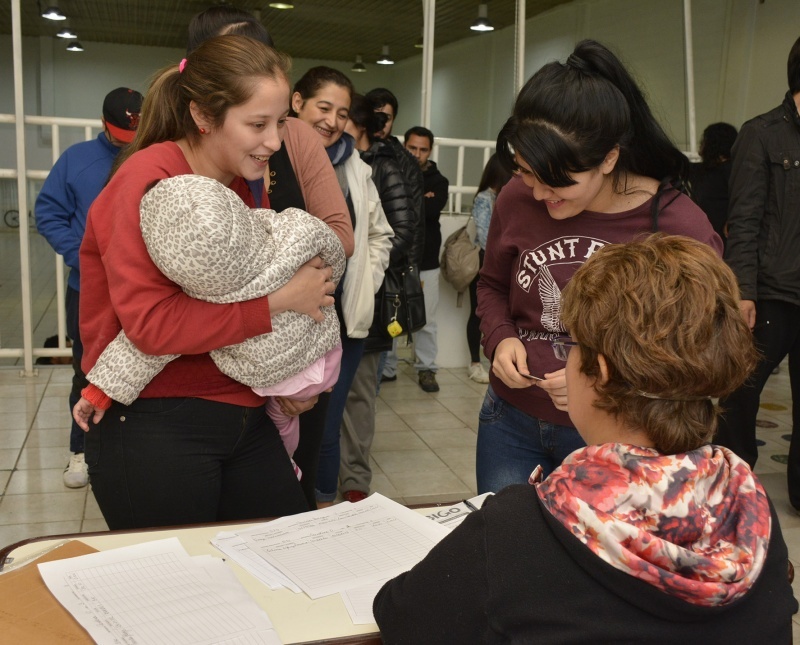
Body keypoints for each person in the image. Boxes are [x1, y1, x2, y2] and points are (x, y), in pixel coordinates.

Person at [374, 234, 797, 643]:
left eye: (571, 343)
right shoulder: (749, 506)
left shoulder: (519, 530)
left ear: (602, 372)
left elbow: (399, 616)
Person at [79, 35, 352, 530]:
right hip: (156, 418)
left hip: (243, 410)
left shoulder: (238, 184)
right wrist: (279, 302)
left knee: (283, 556)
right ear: (204, 116)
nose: (274, 142)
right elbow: (152, 326)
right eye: (257, 125)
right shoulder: (148, 180)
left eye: (280, 124)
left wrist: (285, 378)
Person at [476, 39, 722, 494]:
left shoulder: (676, 224)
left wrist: (607, 387)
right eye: (526, 172)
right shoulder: (517, 195)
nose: (537, 195)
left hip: (617, 439)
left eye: (558, 184)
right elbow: (491, 284)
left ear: (608, 158)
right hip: (509, 421)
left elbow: (703, 353)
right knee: (507, 552)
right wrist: (501, 338)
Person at [185, 6, 354, 509]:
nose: (269, 138)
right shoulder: (176, 153)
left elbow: (340, 235)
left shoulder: (295, 136)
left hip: (295, 345)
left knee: (286, 498)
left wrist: (299, 367)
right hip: (211, 361)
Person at [73, 174, 346, 481]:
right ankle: (285, 464)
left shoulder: (211, 292)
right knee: (285, 420)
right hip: (327, 348)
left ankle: (287, 463)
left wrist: (99, 391)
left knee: (280, 421)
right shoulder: (287, 240)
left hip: (280, 376)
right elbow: (331, 244)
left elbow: (151, 346)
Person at [288, 67, 394, 507]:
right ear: (297, 104)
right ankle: (281, 512)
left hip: (342, 323)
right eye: (323, 107)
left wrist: (364, 284)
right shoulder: (272, 157)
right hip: (282, 319)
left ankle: (322, 511)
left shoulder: (357, 167)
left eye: (342, 112)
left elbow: (380, 233)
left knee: (326, 426)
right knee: (280, 424)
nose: (332, 120)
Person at [35, 86, 143, 489]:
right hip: (89, 290)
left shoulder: (152, 156)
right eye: (120, 135)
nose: (126, 144)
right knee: (87, 370)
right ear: (103, 124)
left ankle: (128, 452)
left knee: (139, 370)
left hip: (139, 290)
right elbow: (48, 213)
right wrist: (82, 258)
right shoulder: (76, 160)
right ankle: (79, 451)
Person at [715, 35, 800, 510]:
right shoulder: (762, 133)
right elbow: (743, 218)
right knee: (742, 392)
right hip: (768, 291)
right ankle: (732, 480)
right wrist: (742, 289)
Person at [334, 94, 416, 503]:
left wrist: (365, 273)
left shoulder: (382, 168)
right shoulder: (322, 165)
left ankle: (353, 480)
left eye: (343, 117)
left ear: (359, 127)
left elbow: (400, 230)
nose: (331, 125)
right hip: (326, 301)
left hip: (369, 298)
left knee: (359, 393)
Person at [365, 88, 425, 387]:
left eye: (386, 117)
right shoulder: (350, 152)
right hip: (357, 262)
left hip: (390, 263)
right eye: (374, 115)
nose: (380, 122)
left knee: (381, 346)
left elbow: (412, 222)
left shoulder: (403, 162)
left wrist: (409, 271)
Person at [399, 126, 449, 393]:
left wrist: (411, 201)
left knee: (426, 319)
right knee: (392, 313)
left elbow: (428, 212)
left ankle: (427, 368)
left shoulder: (439, 181)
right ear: (404, 145)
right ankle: (387, 368)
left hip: (427, 260)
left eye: (423, 149)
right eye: (412, 148)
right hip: (396, 258)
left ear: (430, 151)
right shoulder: (393, 172)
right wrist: (421, 200)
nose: (417, 154)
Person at [466, 153, 512, 384]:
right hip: (485, 265)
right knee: (478, 314)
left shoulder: (511, 198)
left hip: (503, 265)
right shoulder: (485, 198)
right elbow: (485, 236)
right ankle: (475, 363)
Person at [688, 122, 738, 246]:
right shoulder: (737, 171)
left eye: (704, 140)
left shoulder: (719, 172)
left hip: (714, 242)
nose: (701, 145)